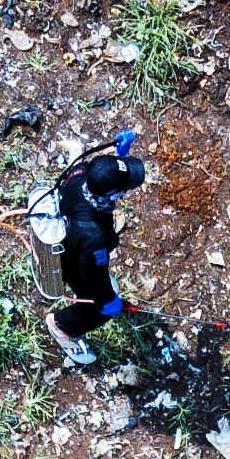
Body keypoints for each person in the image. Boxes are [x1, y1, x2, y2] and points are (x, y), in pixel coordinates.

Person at [42, 133, 146, 366]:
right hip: (73, 262)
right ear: (112, 194)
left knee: (100, 290)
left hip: (71, 239)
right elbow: (94, 274)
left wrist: (120, 157)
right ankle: (63, 327)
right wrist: (108, 301)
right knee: (100, 308)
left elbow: (99, 168)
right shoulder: (94, 238)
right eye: (125, 186)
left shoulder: (80, 174)